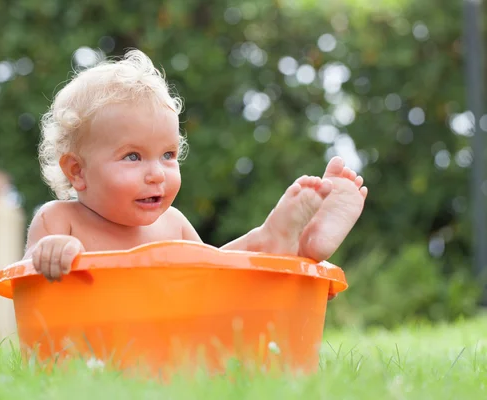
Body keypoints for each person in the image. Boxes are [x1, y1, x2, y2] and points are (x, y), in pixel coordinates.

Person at [24, 49, 368, 287]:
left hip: (176, 335)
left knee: (218, 266)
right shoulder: (58, 221)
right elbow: (27, 285)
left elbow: (214, 277)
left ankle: (280, 243)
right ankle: (280, 243)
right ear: (77, 171)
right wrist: (51, 254)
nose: (157, 173)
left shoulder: (172, 223)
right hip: (99, 344)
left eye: (168, 155)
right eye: (133, 156)